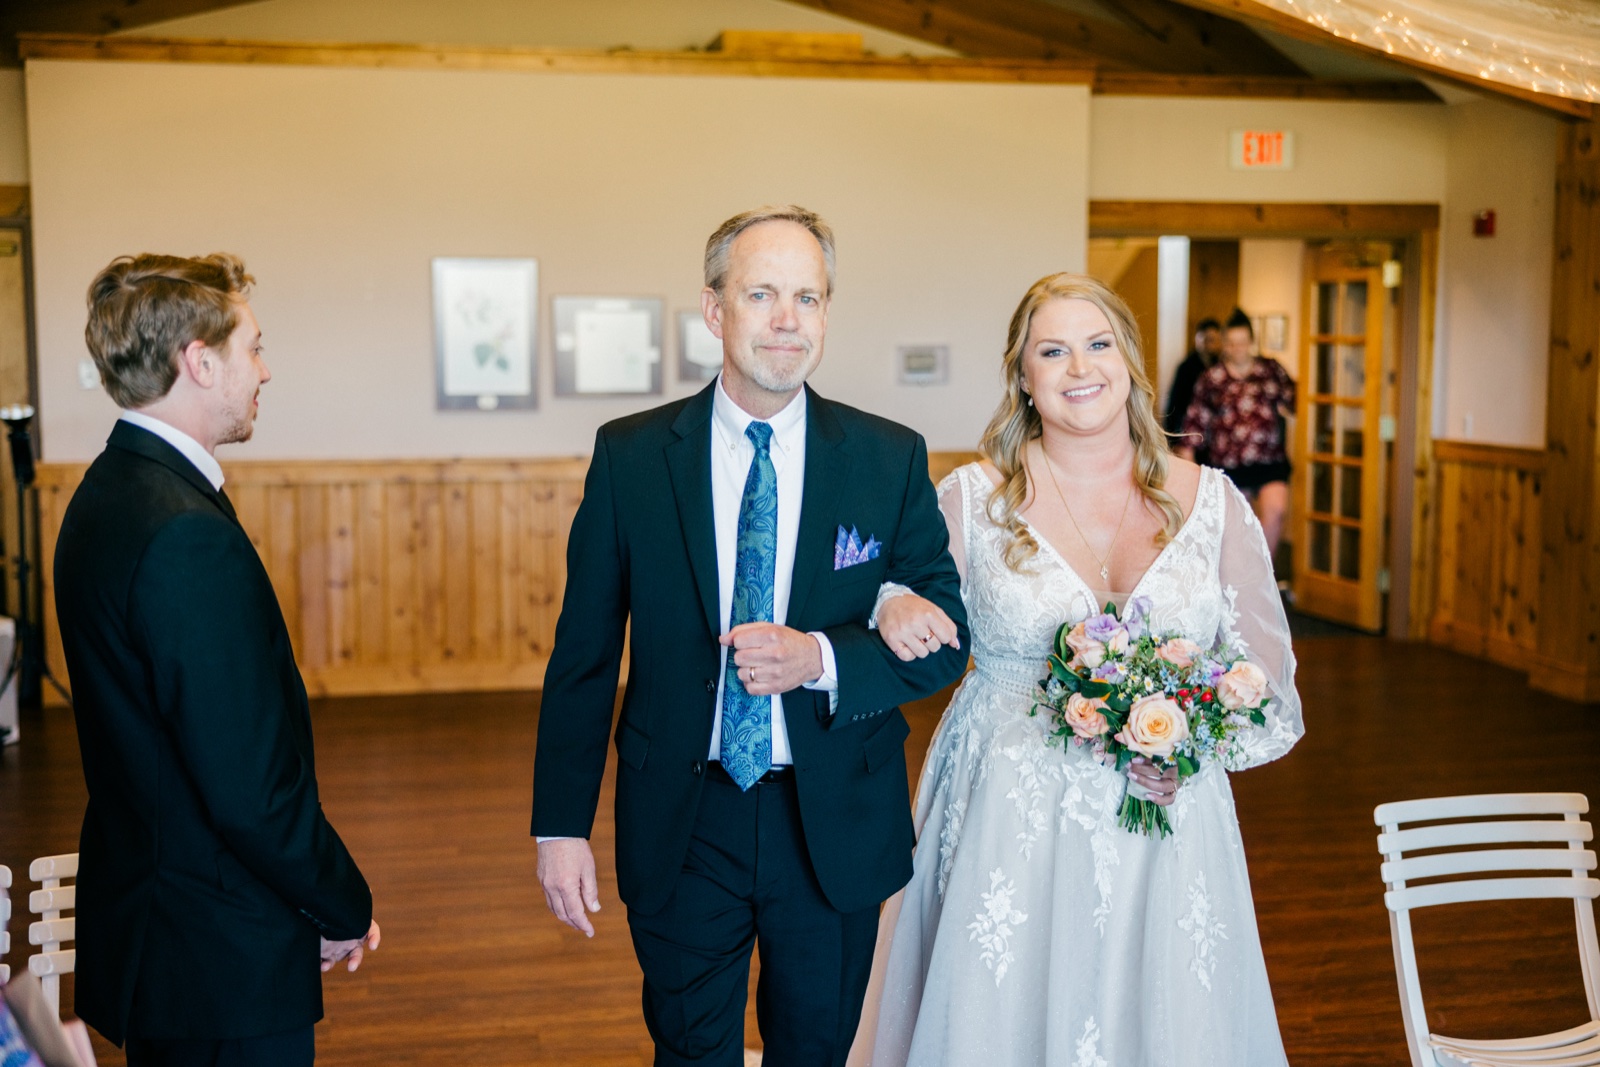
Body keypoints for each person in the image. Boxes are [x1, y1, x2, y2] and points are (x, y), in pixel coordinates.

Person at [530, 206, 969, 1066]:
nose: (785, 319)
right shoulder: (632, 456)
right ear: (714, 309)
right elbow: (583, 657)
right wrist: (559, 825)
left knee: (817, 1050)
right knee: (691, 1052)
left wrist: (823, 656)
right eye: (761, 293)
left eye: (807, 297)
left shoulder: (889, 456)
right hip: (685, 817)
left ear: (827, 313)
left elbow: (946, 638)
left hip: (834, 817)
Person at [851, 274, 1302, 1066]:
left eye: (1097, 344)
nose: (1078, 367)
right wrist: (890, 601)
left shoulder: (1213, 501)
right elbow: (894, 592)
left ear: (1128, 360)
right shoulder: (971, 498)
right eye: (1051, 350)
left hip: (1168, 823)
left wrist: (1190, 745)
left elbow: (1265, 684)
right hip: (1006, 813)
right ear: (1022, 376)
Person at [54, 254, 379, 1067]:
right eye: (253, 348)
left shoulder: (108, 491)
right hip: (216, 950)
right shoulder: (182, 531)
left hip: (163, 927)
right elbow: (248, 787)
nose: (265, 371)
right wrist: (341, 901)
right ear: (199, 361)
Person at [1176, 308, 1296, 558]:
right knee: (1237, 527)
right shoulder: (1212, 378)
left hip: (1269, 461)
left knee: (1276, 510)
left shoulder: (1270, 370)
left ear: (1251, 342)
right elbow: (1194, 425)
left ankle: (1265, 573)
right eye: (1231, 343)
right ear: (1225, 345)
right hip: (1228, 464)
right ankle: (1240, 579)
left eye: (1242, 342)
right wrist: (1187, 476)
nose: (1237, 348)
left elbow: (1298, 402)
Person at [1163, 316, 1221, 454]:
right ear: (1197, 340)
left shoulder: (1221, 366)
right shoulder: (1186, 368)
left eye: (1213, 340)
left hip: (1214, 436)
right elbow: (1175, 404)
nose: (1209, 344)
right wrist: (1173, 439)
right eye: (1205, 340)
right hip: (1189, 431)